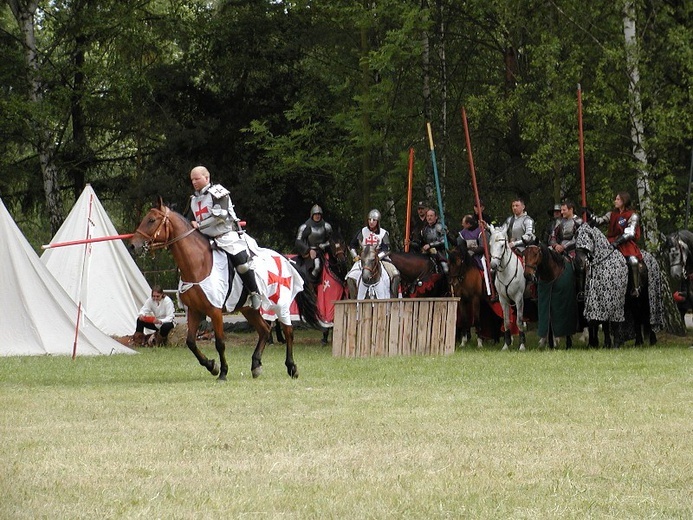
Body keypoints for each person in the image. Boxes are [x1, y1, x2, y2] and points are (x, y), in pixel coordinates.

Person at [189, 165, 261, 309]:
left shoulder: (218, 193)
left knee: (242, 263)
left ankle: (254, 292)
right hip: (205, 239)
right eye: (192, 180)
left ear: (206, 178)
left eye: (197, 178)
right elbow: (189, 219)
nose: (194, 182)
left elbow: (220, 217)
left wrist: (199, 225)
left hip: (226, 236)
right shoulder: (193, 199)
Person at [589, 191, 643, 296]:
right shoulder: (612, 214)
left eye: (618, 199)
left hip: (625, 243)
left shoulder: (632, 215)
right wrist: (590, 215)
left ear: (624, 201)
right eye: (616, 199)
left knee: (633, 261)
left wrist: (617, 242)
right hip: (611, 242)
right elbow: (599, 221)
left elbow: (631, 233)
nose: (615, 201)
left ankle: (636, 288)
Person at [346, 209, 400, 295]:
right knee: (350, 277)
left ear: (378, 221)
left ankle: (393, 297)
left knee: (395, 274)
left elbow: (386, 249)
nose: (371, 222)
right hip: (364, 260)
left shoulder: (383, 233)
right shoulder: (363, 231)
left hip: (381, 260)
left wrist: (377, 257)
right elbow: (352, 245)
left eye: (374, 220)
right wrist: (355, 256)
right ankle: (354, 299)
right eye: (369, 219)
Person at [295, 204, 334, 280]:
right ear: (312, 215)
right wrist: (308, 250)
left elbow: (332, 240)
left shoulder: (326, 226)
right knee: (317, 266)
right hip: (310, 253)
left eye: (319, 214)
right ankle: (310, 282)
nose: (317, 216)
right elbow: (298, 241)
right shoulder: (305, 227)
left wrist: (324, 245)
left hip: (323, 251)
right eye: (315, 214)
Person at [416, 208, 449, 274]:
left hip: (440, 253)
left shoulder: (440, 227)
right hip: (427, 253)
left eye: (431, 216)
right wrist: (410, 243)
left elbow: (444, 240)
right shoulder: (424, 230)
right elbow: (420, 241)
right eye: (428, 216)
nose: (429, 218)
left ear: (435, 217)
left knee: (446, 269)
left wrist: (430, 245)